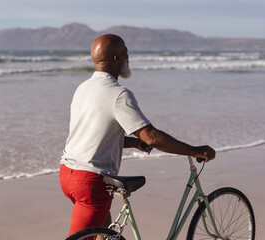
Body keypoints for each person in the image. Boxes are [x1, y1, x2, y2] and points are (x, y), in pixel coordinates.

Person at [59, 34, 216, 236]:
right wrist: (194, 150)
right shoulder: (118, 94)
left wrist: (133, 142)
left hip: (67, 174)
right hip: (90, 182)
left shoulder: (83, 88)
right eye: (126, 52)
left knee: (103, 234)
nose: (128, 57)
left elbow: (93, 134)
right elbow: (152, 137)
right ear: (116, 58)